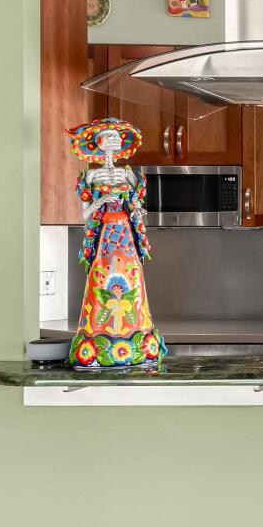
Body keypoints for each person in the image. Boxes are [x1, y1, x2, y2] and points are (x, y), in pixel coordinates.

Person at [67, 118, 163, 370]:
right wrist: (100, 202)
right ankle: (97, 338)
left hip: (126, 236)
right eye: (109, 137)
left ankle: (139, 339)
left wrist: (137, 211)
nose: (115, 141)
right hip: (105, 236)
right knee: (102, 278)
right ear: (98, 142)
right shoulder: (90, 175)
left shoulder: (128, 175)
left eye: (117, 138)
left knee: (132, 277)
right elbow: (86, 214)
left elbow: (136, 206)